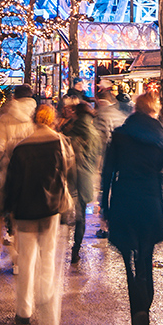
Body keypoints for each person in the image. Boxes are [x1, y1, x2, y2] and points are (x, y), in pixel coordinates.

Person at [101, 91, 163, 325]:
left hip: (125, 198)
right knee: (146, 256)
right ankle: (146, 300)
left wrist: (105, 207)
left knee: (127, 259)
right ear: (153, 110)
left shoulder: (120, 134)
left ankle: (137, 310)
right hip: (150, 200)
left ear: (136, 109)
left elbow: (108, 174)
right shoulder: (159, 135)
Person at [4, 103, 75, 325]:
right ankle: (46, 305)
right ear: (52, 120)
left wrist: (8, 211)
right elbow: (68, 175)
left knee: (26, 260)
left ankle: (24, 310)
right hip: (50, 209)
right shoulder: (61, 144)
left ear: (34, 121)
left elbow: (12, 184)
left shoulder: (21, 148)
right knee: (48, 259)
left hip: (25, 211)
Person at [0, 84, 37, 268]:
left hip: (5, 172)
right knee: (19, 213)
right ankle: (18, 258)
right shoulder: (35, 119)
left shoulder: (5, 119)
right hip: (27, 174)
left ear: (15, 98)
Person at [60, 95, 102, 264]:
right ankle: (75, 249)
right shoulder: (95, 134)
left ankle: (52, 249)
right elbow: (97, 160)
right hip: (85, 179)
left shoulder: (69, 131)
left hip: (69, 177)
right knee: (80, 217)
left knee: (62, 212)